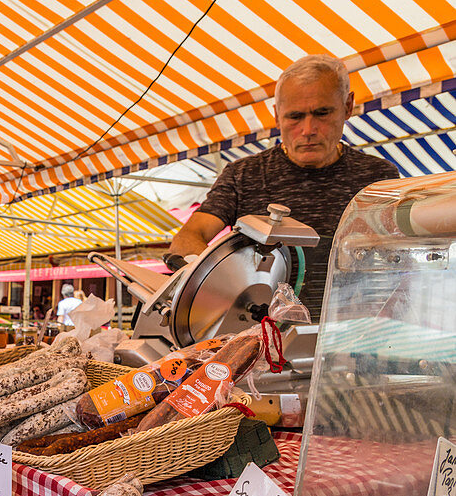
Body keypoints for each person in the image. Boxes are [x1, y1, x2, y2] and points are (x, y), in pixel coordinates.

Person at [165, 54, 398, 320]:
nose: (308, 129)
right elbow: (186, 239)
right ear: (276, 116)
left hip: (352, 333)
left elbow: (402, 256)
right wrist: (215, 280)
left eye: (322, 113)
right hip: (260, 338)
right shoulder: (244, 175)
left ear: (348, 106)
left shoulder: (378, 176)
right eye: (295, 117)